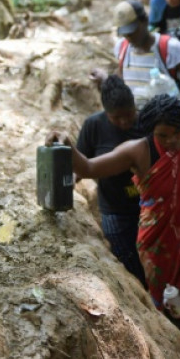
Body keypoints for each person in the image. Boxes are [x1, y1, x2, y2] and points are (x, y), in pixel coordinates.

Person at [53, 95, 180, 353]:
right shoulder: (138, 150)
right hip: (159, 242)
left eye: (176, 133)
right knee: (166, 302)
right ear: (151, 131)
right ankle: (176, 342)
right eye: (163, 135)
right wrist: (67, 146)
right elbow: (88, 167)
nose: (171, 141)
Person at [74, 75, 145, 286]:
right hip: (115, 208)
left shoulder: (147, 123)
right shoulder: (93, 126)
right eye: (117, 117)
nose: (124, 122)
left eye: (129, 115)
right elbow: (80, 164)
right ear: (106, 112)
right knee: (128, 261)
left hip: (150, 206)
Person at [92, 0, 180, 111]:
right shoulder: (122, 48)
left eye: (133, 31)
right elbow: (123, 79)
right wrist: (104, 80)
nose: (129, 37)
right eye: (125, 33)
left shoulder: (169, 48)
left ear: (145, 21)